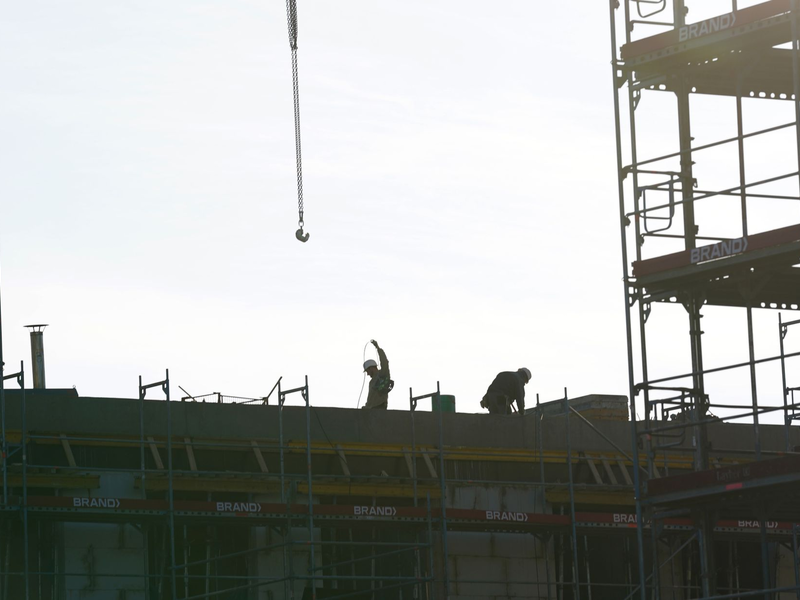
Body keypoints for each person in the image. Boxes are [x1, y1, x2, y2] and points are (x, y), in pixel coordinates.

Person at [362, 340, 393, 409]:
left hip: (380, 409)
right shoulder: (371, 382)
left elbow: (384, 362)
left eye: (367, 371)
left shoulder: (382, 374)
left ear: (371, 368)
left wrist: (378, 348)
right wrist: (366, 407)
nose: (367, 374)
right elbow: (370, 398)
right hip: (371, 411)